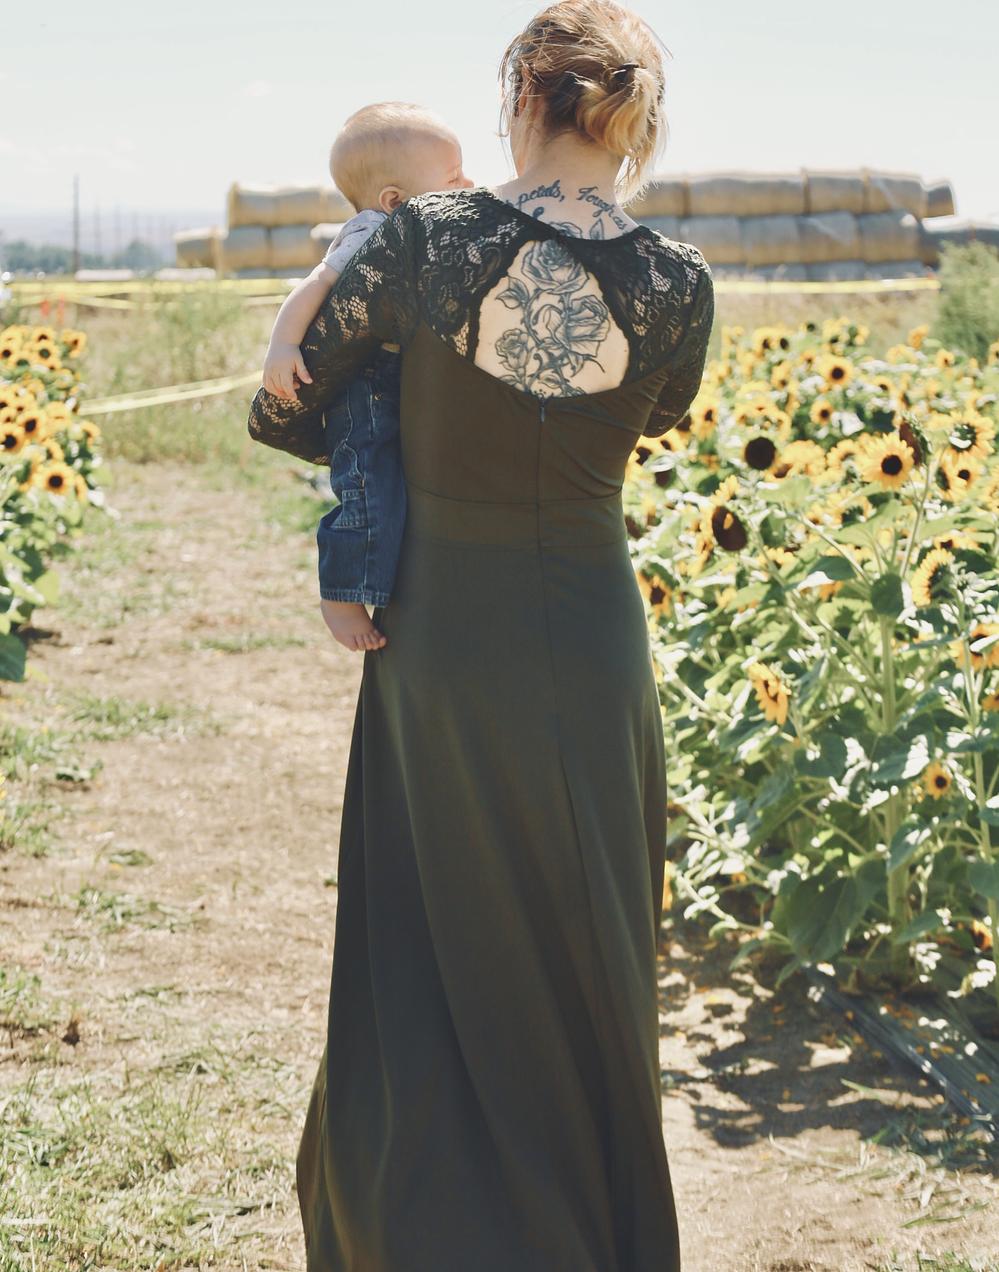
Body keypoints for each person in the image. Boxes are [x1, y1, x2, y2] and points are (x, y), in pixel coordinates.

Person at [246, 0, 714, 1266]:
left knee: (427, 934)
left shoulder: (425, 239)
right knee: (588, 943)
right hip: (595, 637)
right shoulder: (679, 283)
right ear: (627, 120)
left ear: (521, 97)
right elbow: (655, 417)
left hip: (443, 632)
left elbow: (288, 404)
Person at [261, 103, 473, 652]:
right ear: (394, 200)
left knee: (397, 483)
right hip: (365, 384)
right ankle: (341, 592)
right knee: (367, 482)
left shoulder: (422, 230)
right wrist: (283, 345)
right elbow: (316, 284)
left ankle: (383, 577)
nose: (468, 185)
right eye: (453, 177)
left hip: (399, 375)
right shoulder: (373, 231)